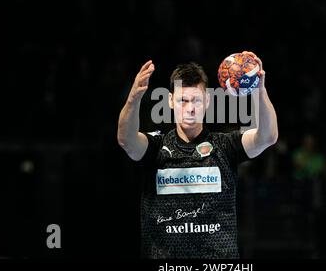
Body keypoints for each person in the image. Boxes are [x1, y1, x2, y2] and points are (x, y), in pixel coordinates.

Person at [117, 52, 278, 258]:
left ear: (208, 101)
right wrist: (133, 99)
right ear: (170, 101)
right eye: (183, 100)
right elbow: (126, 140)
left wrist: (259, 89)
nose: (190, 108)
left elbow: (268, 137)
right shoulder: (155, 148)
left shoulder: (226, 146)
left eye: (197, 100)